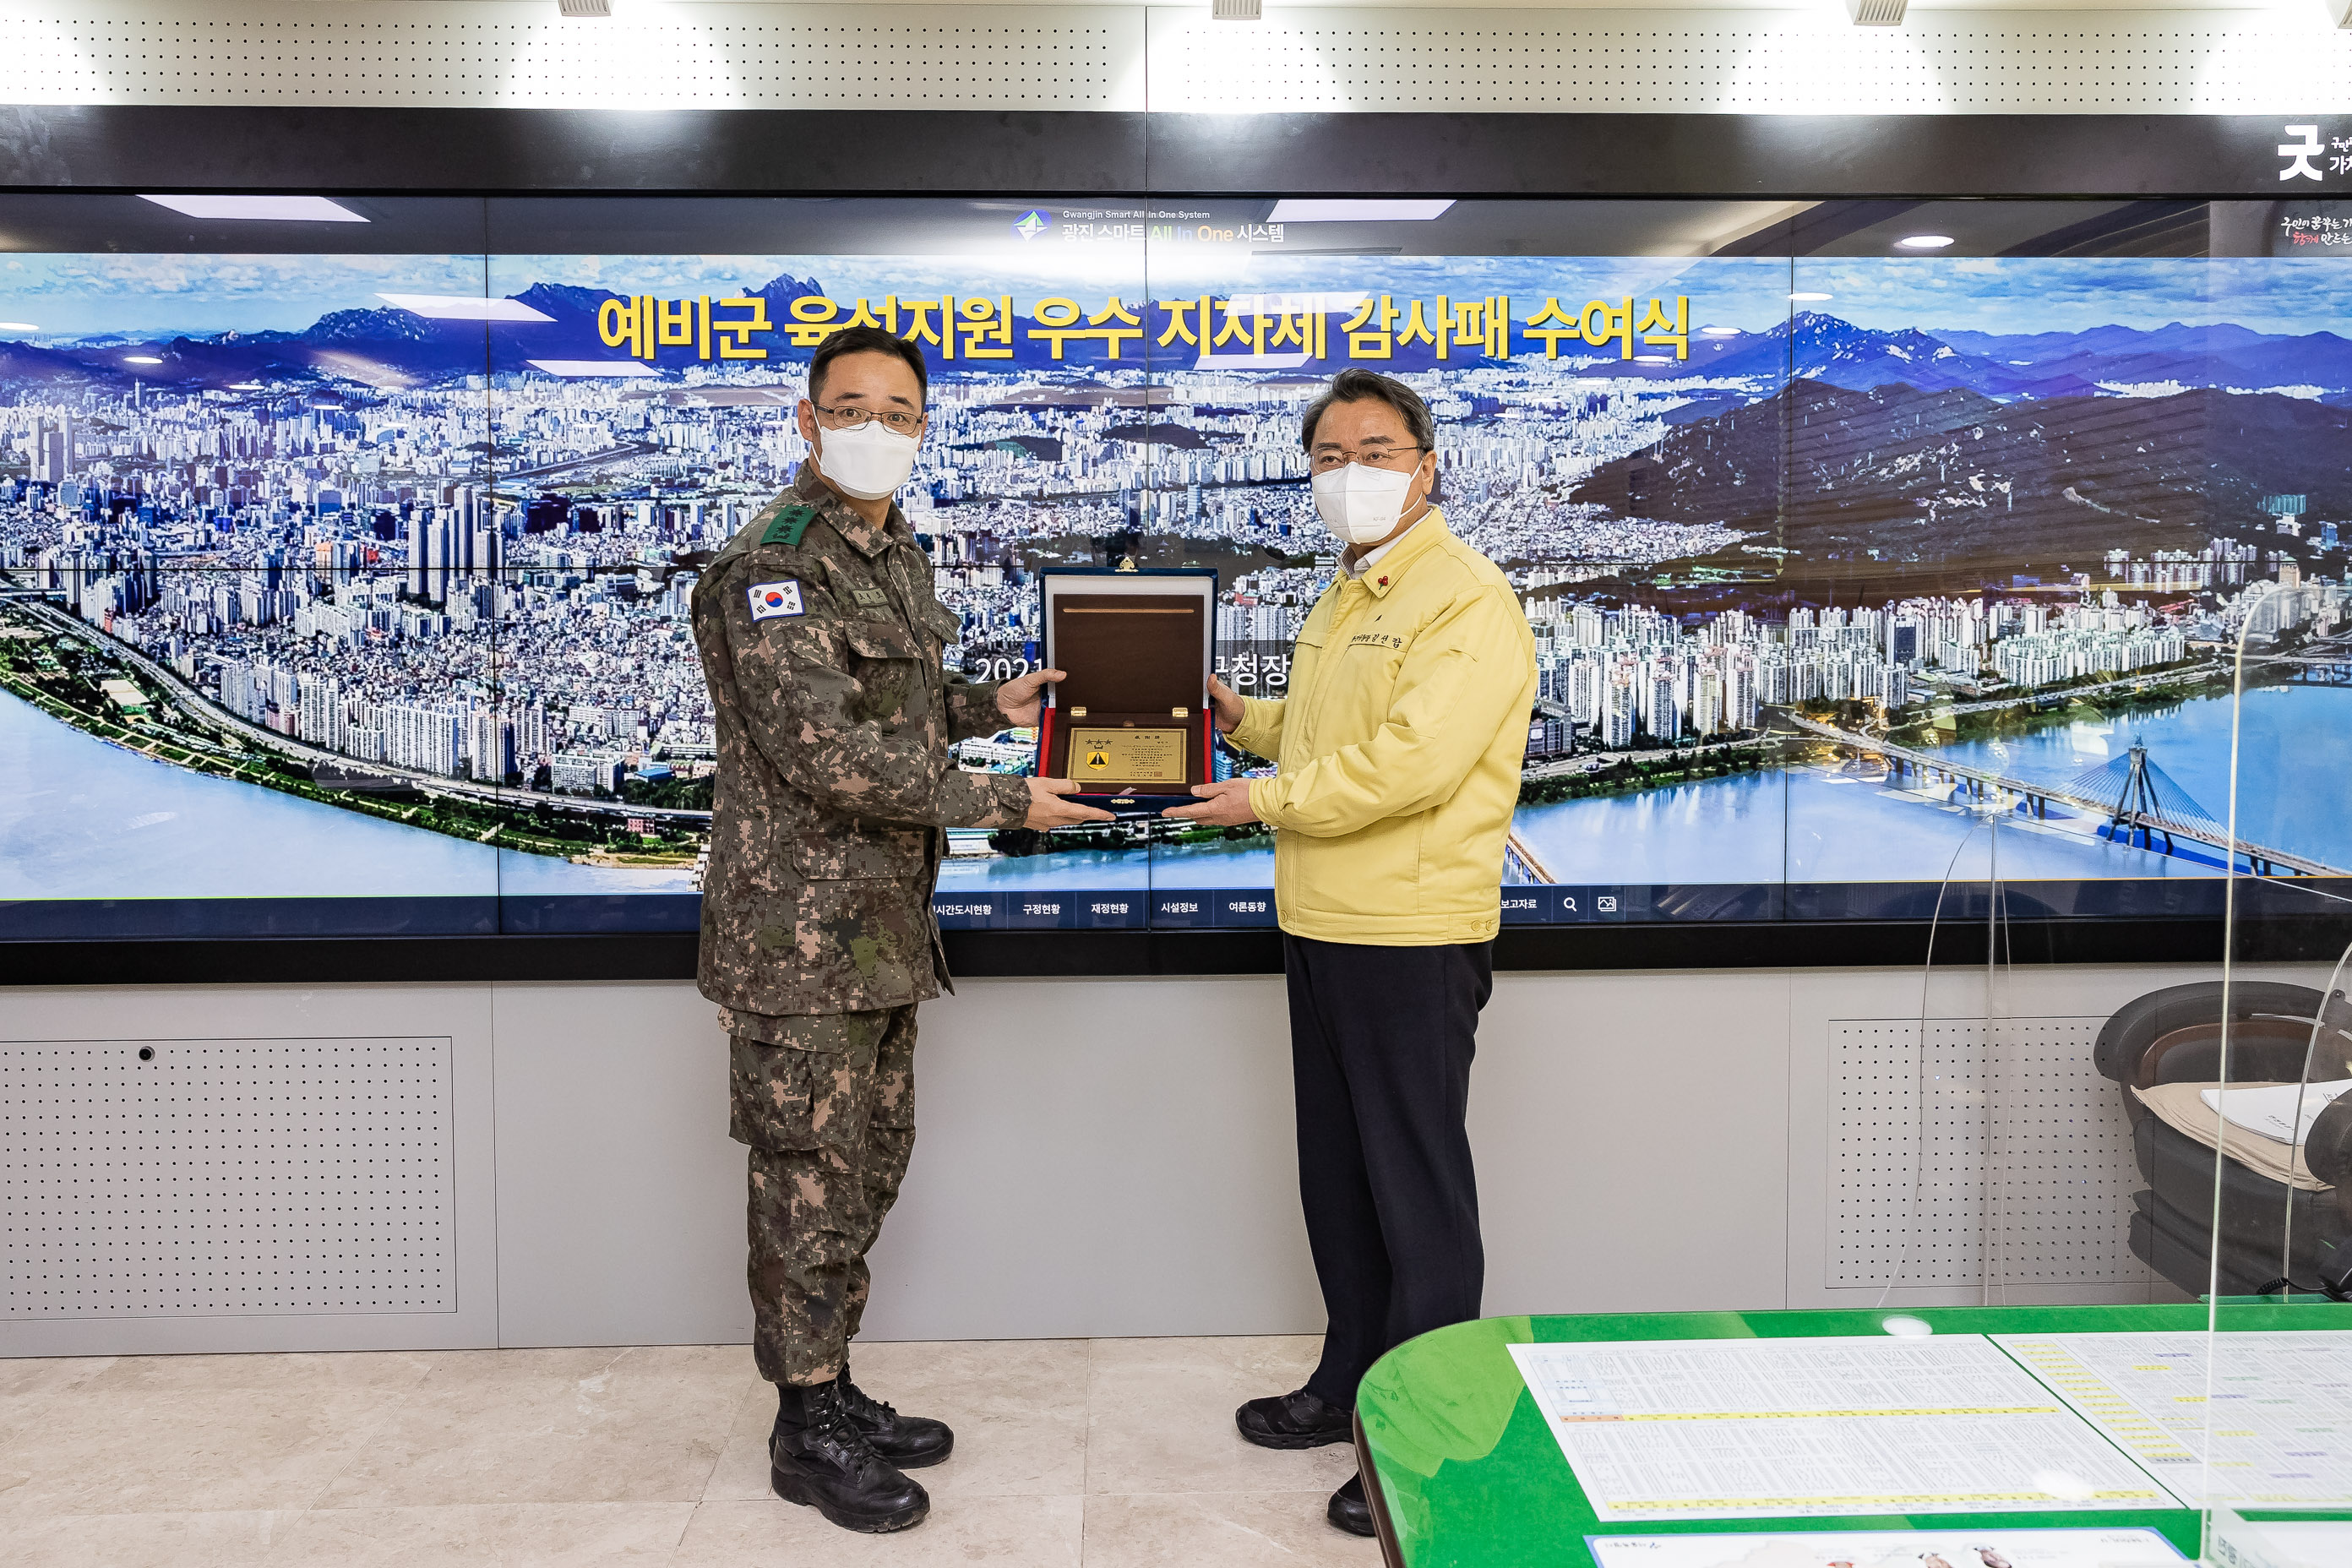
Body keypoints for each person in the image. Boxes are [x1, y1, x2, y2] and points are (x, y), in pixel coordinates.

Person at [691, 324, 1113, 1533]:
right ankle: (800, 1428)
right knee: (805, 1183)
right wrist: (1007, 798)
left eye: (901, 411)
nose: (878, 429)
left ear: (924, 428)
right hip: (796, 940)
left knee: (865, 1172)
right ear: (809, 418)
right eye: (853, 407)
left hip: (878, 930)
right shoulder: (770, 568)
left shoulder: (892, 554)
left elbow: (895, 708)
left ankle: (834, 1386)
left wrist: (993, 704)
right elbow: (822, 752)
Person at [1166, 368, 1537, 1538]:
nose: (1350, 473)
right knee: (1338, 1180)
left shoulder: (1465, 599)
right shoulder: (1353, 589)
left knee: (1416, 1192)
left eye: (1374, 450)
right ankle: (1349, 1388)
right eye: (1328, 456)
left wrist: (1259, 798)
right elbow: (1335, 732)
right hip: (1323, 919)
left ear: (1429, 464)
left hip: (1412, 932)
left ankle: (1432, 1438)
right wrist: (1235, 722)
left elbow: (1412, 765)